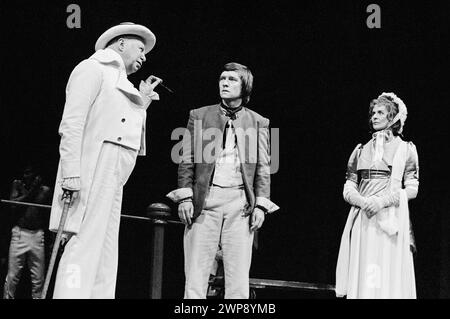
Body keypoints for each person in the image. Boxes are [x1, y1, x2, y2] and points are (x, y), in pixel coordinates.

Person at [48, 22, 162, 299]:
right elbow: (72, 124)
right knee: (83, 242)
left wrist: (142, 102)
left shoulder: (120, 81)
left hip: (115, 173)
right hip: (94, 165)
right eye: (140, 47)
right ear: (121, 43)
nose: (144, 55)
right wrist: (71, 173)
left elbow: (121, 125)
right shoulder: (92, 68)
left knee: (106, 248)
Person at [167, 62, 279, 299]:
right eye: (222, 78)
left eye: (232, 79)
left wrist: (261, 204)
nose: (225, 83)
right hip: (205, 200)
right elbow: (186, 158)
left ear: (245, 85)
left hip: (240, 204)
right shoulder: (199, 115)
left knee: (238, 281)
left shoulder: (259, 121)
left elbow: (263, 167)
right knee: (196, 275)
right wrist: (185, 196)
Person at [335, 92, 419, 299]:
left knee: (387, 273)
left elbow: (412, 188)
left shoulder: (406, 149)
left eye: (380, 112)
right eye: (373, 112)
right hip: (364, 218)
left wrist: (381, 202)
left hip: (391, 220)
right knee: (365, 271)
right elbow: (348, 186)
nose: (374, 116)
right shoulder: (360, 150)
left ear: (393, 118)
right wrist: (364, 203)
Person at [3, 164, 51, 299]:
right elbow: (13, 204)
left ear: (36, 175)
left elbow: (48, 216)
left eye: (29, 173)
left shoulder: (45, 190)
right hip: (19, 234)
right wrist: (31, 192)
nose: (25, 176)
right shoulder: (17, 185)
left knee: (38, 278)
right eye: (24, 173)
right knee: (12, 276)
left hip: (37, 235)